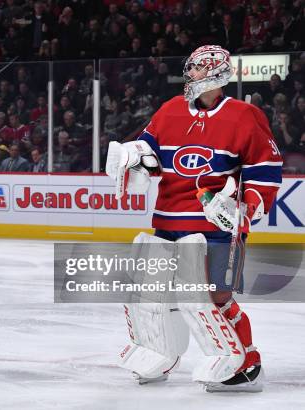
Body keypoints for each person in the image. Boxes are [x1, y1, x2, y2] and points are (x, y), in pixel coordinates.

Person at [107, 45, 282, 392]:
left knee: (213, 298)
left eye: (199, 69)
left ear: (217, 73)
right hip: (167, 220)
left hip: (214, 226)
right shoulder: (170, 110)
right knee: (151, 293)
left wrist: (244, 206)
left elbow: (265, 171)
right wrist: (131, 158)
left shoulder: (245, 116)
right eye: (191, 68)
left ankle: (245, 363)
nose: (191, 75)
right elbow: (148, 151)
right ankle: (158, 352)